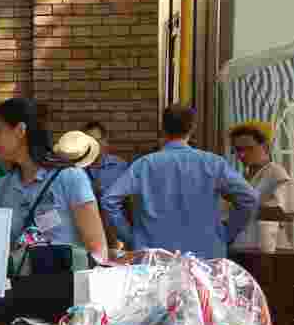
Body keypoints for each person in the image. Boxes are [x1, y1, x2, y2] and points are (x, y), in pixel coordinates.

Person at [102, 104, 258, 260]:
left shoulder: (144, 165)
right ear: (192, 128)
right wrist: (226, 234)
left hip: (154, 259)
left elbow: (109, 200)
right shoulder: (213, 163)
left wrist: (131, 237)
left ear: (163, 128)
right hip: (206, 257)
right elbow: (249, 198)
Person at [0, 98, 108, 265]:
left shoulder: (70, 178)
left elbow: (98, 252)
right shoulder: (1, 187)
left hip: (67, 287)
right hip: (19, 288)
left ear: (20, 131)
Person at [228, 120, 294, 250]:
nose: (242, 155)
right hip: (242, 249)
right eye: (238, 150)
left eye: (249, 148)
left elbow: (292, 212)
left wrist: (248, 210)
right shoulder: (243, 176)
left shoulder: (275, 173)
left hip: (267, 251)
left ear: (265, 147)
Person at [83, 120, 129, 249]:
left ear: (105, 141)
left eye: (97, 140)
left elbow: (131, 204)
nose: (93, 146)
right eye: (89, 141)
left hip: (117, 236)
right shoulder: (76, 171)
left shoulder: (120, 167)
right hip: (87, 238)